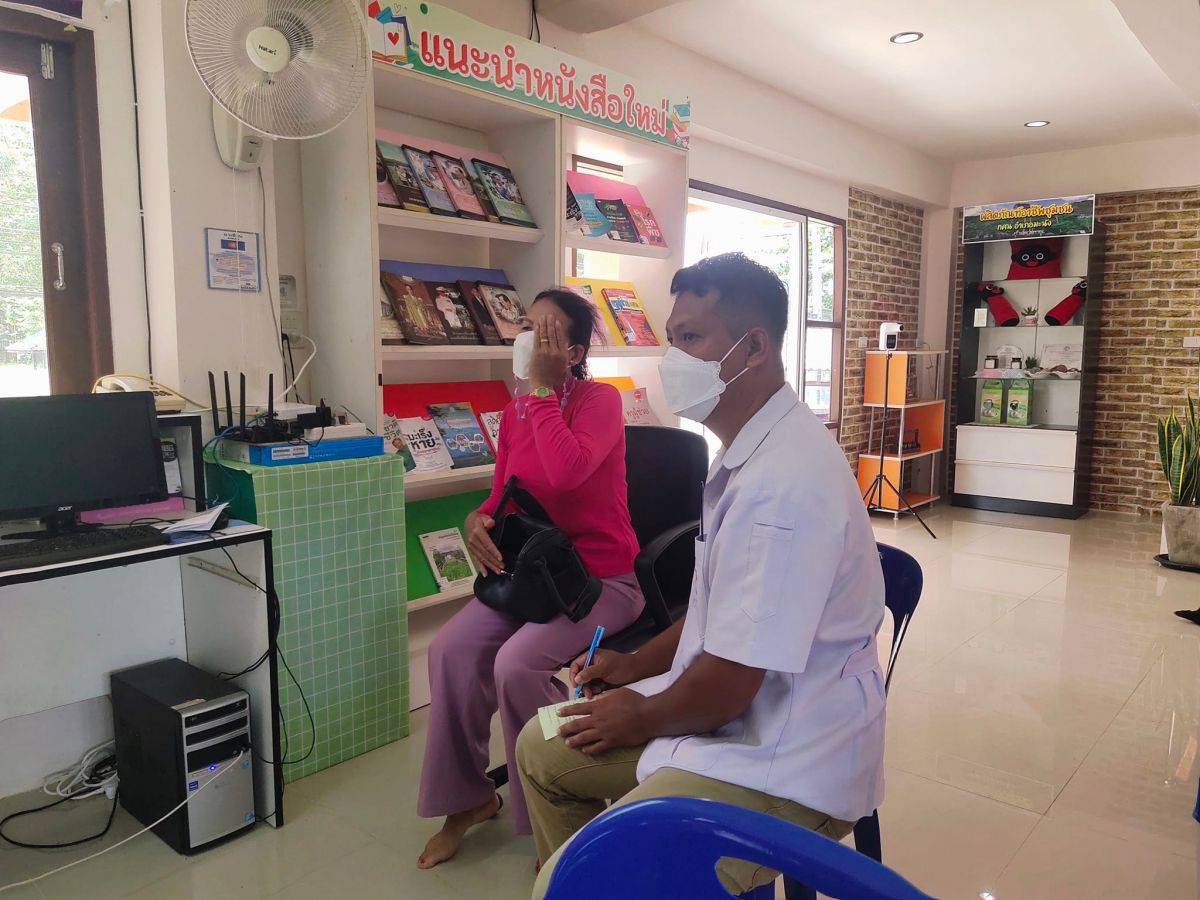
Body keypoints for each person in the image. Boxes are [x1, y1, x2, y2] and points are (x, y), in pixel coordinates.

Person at [516, 253, 887, 898]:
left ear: (754, 348)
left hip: (787, 760)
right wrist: (636, 666)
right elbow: (723, 613)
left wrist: (640, 715)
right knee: (540, 743)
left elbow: (731, 684)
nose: (673, 359)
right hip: (729, 710)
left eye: (691, 338)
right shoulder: (748, 450)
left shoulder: (782, 486)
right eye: (671, 338)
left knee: (575, 882)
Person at [417, 288, 645, 869]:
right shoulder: (518, 410)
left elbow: (568, 473)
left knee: (517, 665)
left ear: (573, 353)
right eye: (526, 326)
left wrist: (541, 392)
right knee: (450, 649)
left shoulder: (599, 401)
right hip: (533, 576)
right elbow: (503, 494)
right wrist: (477, 519)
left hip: (600, 581)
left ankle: (560, 815)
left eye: (545, 333)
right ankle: (467, 799)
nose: (528, 339)